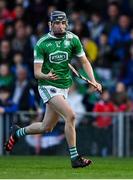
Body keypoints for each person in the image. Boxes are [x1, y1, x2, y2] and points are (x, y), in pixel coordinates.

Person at [5, 11, 102, 168]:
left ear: (67, 23)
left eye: (63, 22)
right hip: (47, 85)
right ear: (50, 24)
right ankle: (75, 158)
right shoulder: (42, 43)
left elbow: (84, 61)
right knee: (70, 116)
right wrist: (47, 75)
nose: (60, 25)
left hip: (64, 87)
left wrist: (93, 80)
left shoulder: (73, 39)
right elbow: (37, 73)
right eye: (57, 23)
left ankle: (17, 132)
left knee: (46, 127)